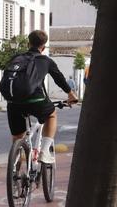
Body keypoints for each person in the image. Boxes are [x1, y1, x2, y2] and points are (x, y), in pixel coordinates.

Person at [5, 31, 78, 163]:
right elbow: (59, 79)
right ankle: (44, 152)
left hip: (13, 102)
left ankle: (14, 171)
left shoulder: (16, 58)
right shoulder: (46, 61)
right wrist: (71, 94)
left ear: (28, 43)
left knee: (17, 137)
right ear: (43, 47)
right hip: (35, 100)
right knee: (51, 114)